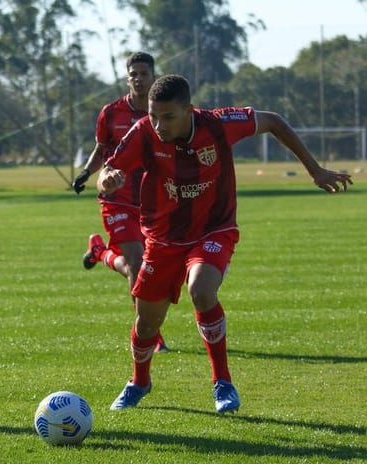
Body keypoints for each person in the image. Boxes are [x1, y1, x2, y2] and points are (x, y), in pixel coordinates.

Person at [97, 74, 352, 414]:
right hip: (163, 238)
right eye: (154, 115)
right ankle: (139, 382)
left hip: (213, 230)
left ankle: (223, 382)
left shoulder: (218, 124)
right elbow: (107, 171)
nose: (158, 124)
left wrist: (315, 170)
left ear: (189, 109)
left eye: (168, 116)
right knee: (147, 323)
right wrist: (108, 179)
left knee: (201, 290)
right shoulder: (144, 132)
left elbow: (273, 121)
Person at [72, 52, 168, 353]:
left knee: (142, 268)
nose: (138, 78)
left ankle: (101, 253)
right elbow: (101, 149)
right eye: (133, 73)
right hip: (117, 200)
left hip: (153, 202)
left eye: (144, 73)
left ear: (154, 77)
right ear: (127, 78)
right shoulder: (111, 113)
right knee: (139, 263)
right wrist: (87, 172)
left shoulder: (162, 113)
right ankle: (150, 336)